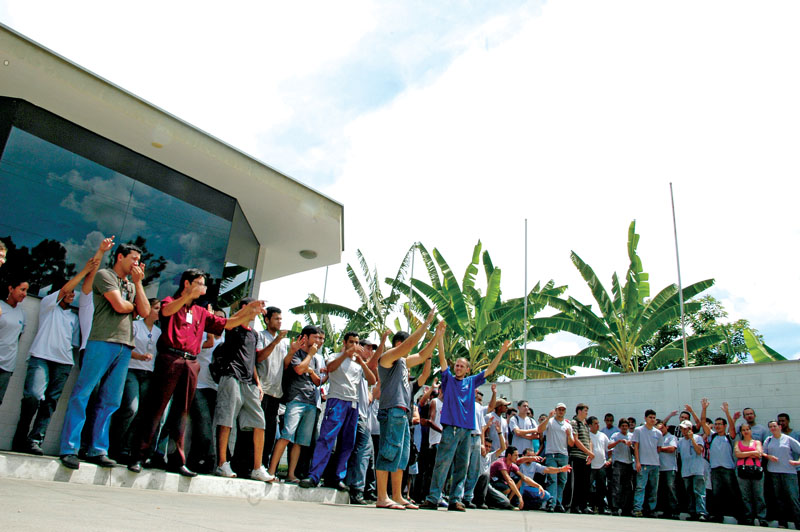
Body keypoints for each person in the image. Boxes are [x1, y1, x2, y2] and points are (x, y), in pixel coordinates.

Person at [128, 269, 265, 476]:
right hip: (170, 359)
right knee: (155, 409)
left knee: (181, 414)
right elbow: (165, 312)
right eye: (200, 283)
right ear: (187, 283)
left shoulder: (201, 312)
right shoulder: (170, 302)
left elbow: (226, 323)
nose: (205, 288)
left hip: (190, 363)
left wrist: (248, 312)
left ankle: (176, 460)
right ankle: (138, 456)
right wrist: (187, 297)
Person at [59, 243, 150, 470]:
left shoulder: (131, 283)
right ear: (120, 257)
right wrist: (134, 307)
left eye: (139, 260)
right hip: (101, 341)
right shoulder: (104, 275)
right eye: (134, 259)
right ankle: (69, 448)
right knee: (83, 394)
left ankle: (97, 449)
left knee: (110, 401)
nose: (137, 264)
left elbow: (146, 312)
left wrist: (139, 284)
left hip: (124, 346)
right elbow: (120, 306)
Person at [12, 252, 103, 455]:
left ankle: (35, 440)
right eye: (69, 293)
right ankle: (20, 436)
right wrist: (86, 271)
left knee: (50, 403)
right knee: (33, 397)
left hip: (63, 364)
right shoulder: (48, 306)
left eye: (73, 294)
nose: (72, 295)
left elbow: (73, 344)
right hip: (40, 358)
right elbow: (64, 289)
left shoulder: (73, 317)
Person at [421, 335, 510, 512]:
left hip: (467, 431)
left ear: (468, 370)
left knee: (462, 467)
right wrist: (439, 337)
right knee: (443, 464)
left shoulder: (471, 382)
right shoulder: (448, 379)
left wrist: (502, 351)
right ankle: (433, 498)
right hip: (450, 430)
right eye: (457, 365)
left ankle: (456, 499)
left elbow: (490, 370)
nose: (458, 368)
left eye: (462, 366)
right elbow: (443, 360)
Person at [374, 311, 439, 511]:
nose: (405, 348)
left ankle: (397, 495)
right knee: (388, 452)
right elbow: (412, 346)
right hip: (391, 410)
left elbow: (422, 355)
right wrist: (426, 323)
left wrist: (437, 335)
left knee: (401, 456)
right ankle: (382, 496)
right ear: (397, 345)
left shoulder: (403, 363)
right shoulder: (387, 359)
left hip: (402, 413)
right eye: (401, 345)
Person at [300, 331, 377, 489]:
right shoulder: (335, 357)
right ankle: (314, 476)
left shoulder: (358, 363)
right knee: (327, 438)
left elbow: (372, 380)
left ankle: (337, 477)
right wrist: (346, 354)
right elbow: (330, 368)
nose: (354, 346)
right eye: (351, 342)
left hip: (353, 404)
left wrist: (362, 362)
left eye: (357, 343)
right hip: (337, 401)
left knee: (347, 443)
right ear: (344, 342)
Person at [213, 299, 273, 482]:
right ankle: (222, 463)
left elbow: (252, 360)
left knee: (259, 423)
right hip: (231, 376)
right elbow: (232, 319)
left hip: (249, 382)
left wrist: (258, 383)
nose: (258, 312)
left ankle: (257, 467)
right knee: (226, 420)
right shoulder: (234, 326)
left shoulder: (253, 334)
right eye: (254, 309)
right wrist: (249, 308)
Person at [107, 298, 162, 462]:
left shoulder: (159, 332)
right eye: (156, 308)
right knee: (131, 408)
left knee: (141, 414)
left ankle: (126, 448)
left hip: (148, 374)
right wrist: (140, 356)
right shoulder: (135, 325)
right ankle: (114, 445)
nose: (159, 311)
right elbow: (125, 347)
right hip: (132, 370)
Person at [267, 325, 323, 482]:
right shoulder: (297, 353)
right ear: (305, 337)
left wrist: (310, 370)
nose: (319, 341)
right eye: (316, 337)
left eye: (320, 338)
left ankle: (291, 474)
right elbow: (299, 369)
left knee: (300, 441)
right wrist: (310, 357)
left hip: (311, 401)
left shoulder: (316, 359)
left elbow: (317, 381)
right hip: (296, 399)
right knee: (286, 435)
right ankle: (271, 472)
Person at [187, 308, 225, 474]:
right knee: (203, 424)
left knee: (206, 426)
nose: (218, 320)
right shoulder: (201, 336)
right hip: (199, 386)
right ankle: (207, 460)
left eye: (221, 318)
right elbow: (206, 345)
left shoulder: (225, 340)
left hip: (216, 388)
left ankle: (196, 460)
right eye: (214, 317)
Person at [254, 306, 288, 471]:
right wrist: (275, 341)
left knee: (270, 432)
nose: (279, 322)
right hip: (262, 390)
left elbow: (284, 365)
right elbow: (259, 357)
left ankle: (264, 465)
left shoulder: (284, 343)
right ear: (267, 320)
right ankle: (250, 464)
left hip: (276, 392)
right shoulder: (260, 336)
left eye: (281, 319)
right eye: (276, 318)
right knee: (256, 429)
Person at [700, 400, 742, 523]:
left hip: (728, 469)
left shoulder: (729, 437)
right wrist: (704, 408)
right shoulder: (712, 436)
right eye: (716, 424)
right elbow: (703, 422)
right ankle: (717, 516)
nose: (717, 426)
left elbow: (732, 427)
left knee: (732, 493)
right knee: (716, 494)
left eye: (720, 424)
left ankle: (739, 516)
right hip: (715, 469)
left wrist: (727, 412)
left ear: (724, 426)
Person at [536, 402, 575, 512]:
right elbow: (539, 430)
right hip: (551, 454)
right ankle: (551, 503)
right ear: (556, 410)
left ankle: (558, 502)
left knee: (562, 480)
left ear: (565, 411)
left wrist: (569, 435)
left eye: (563, 409)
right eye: (559, 409)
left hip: (563, 455)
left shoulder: (568, 425)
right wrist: (548, 417)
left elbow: (571, 443)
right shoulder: (551, 422)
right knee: (552, 479)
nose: (561, 411)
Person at [762, 420, 800, 529]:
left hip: (789, 473)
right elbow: (763, 452)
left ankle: (798, 522)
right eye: (770, 427)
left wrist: (797, 462)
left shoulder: (788, 439)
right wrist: (769, 457)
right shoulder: (768, 440)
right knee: (779, 499)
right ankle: (782, 523)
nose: (773, 428)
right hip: (774, 472)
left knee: (793, 498)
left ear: (779, 426)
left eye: (774, 426)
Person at [489, 446, 551, 511]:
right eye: (515, 455)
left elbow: (524, 477)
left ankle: (508, 502)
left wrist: (538, 486)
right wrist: (519, 496)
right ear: (509, 455)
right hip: (490, 483)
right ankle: (498, 503)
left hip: (500, 482)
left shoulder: (512, 465)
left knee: (519, 480)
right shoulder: (501, 463)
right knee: (507, 489)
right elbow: (509, 480)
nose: (517, 457)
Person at [0, 275, 28, 405]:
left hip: (7, 366)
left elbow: (17, 338)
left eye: (26, 291)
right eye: (22, 289)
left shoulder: (22, 314)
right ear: (11, 289)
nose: (25, 294)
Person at [734, 423, 767, 526]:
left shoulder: (757, 442)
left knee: (759, 495)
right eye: (743, 430)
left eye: (747, 429)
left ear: (750, 430)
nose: (746, 431)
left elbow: (759, 453)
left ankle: (762, 517)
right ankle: (749, 517)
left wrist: (745, 453)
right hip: (742, 471)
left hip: (756, 470)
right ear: (741, 432)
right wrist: (751, 453)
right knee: (745, 496)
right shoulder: (738, 443)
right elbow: (737, 454)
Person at [631, 409, 661, 517]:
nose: (652, 420)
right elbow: (636, 447)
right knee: (640, 487)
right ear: (645, 418)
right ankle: (637, 508)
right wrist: (638, 462)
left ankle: (651, 509)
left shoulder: (658, 432)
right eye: (650, 417)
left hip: (655, 464)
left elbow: (659, 448)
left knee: (653, 488)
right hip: (643, 464)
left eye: (654, 418)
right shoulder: (639, 430)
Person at [566, 403, 594, 513]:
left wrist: (590, 454)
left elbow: (589, 440)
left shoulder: (586, 425)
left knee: (585, 483)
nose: (587, 413)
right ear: (579, 411)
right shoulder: (574, 423)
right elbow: (576, 440)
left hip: (586, 458)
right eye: (585, 410)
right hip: (577, 456)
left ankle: (583, 505)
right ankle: (574, 505)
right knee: (576, 483)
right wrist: (588, 452)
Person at [678, 419, 708, 521]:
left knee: (699, 492)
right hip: (686, 470)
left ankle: (701, 512)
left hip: (697, 470)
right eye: (682, 429)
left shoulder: (698, 438)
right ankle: (692, 512)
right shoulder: (681, 441)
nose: (683, 431)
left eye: (685, 429)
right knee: (689, 492)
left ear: (690, 429)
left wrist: (692, 439)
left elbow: (699, 451)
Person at [608, 418, 634, 516]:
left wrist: (630, 445)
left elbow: (635, 449)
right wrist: (619, 441)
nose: (624, 428)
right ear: (619, 427)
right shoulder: (615, 435)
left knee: (628, 487)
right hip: (618, 463)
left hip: (628, 463)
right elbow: (609, 446)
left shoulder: (631, 436)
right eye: (622, 426)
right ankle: (615, 508)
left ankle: (626, 508)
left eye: (626, 426)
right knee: (616, 487)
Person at [655, 420, 679, 519]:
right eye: (658, 429)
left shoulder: (671, 437)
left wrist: (660, 449)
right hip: (659, 468)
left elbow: (672, 448)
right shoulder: (656, 438)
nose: (661, 431)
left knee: (671, 489)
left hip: (670, 468)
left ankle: (674, 511)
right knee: (662, 490)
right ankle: (665, 511)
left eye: (662, 428)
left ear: (666, 427)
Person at [588, 416, 611, 515]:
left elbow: (609, 450)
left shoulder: (603, 436)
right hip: (591, 466)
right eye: (595, 423)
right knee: (588, 487)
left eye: (598, 423)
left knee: (602, 488)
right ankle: (590, 506)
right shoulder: (587, 435)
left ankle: (602, 507)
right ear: (590, 425)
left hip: (601, 465)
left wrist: (609, 460)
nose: (598, 425)